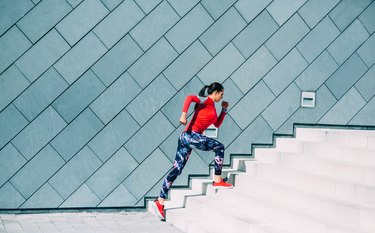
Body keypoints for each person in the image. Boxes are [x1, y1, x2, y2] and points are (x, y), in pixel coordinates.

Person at [151, 82, 233, 220]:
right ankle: (217, 179)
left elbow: (217, 124)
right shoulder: (206, 100)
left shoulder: (213, 107)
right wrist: (183, 115)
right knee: (219, 147)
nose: (222, 97)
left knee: (177, 170)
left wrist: (224, 110)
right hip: (190, 135)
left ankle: (160, 201)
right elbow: (189, 97)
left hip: (186, 138)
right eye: (222, 94)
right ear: (216, 92)